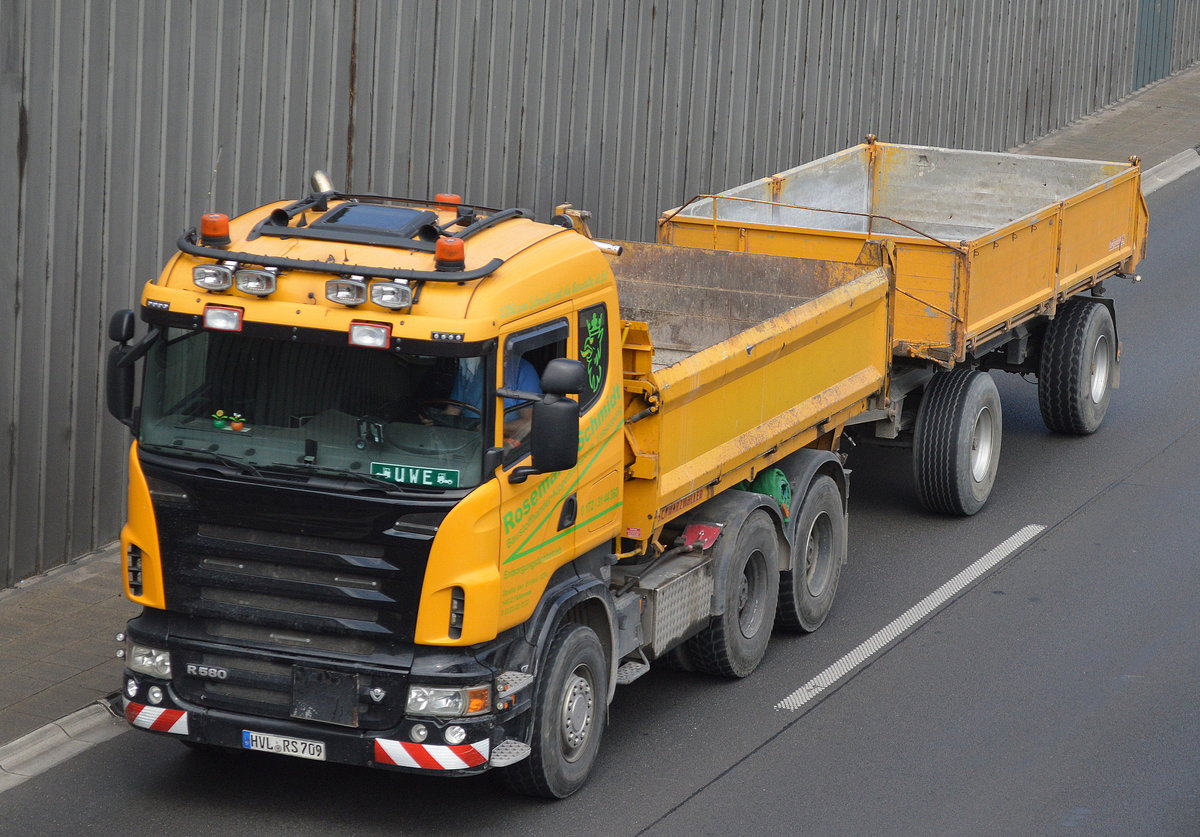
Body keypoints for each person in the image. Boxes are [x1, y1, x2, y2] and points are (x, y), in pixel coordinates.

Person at [447, 355, 542, 445]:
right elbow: (452, 410)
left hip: (504, 441)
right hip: (467, 434)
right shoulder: (470, 368)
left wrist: (492, 428)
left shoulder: (524, 370)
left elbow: (529, 422)